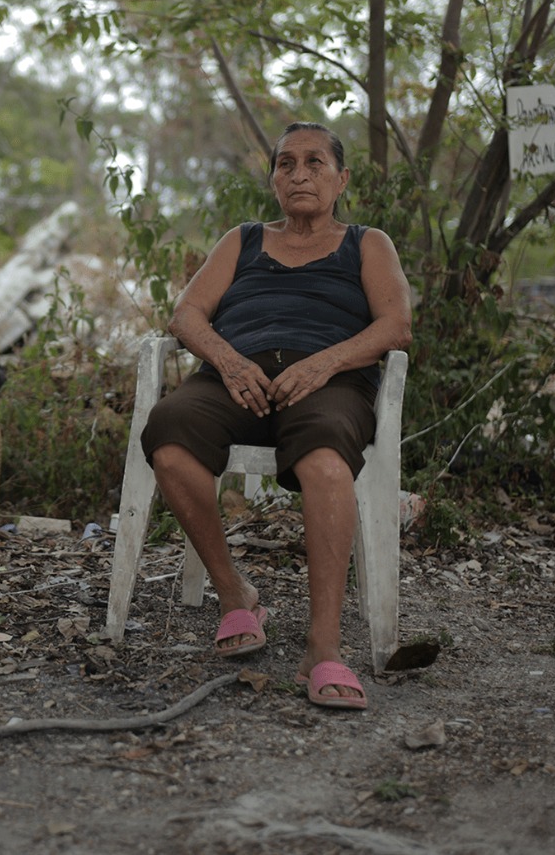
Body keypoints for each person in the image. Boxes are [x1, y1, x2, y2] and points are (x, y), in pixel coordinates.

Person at [139, 121, 412, 709]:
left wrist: (323, 365)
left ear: (341, 179)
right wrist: (230, 363)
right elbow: (187, 316)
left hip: (329, 383)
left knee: (326, 460)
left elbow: (395, 327)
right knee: (169, 433)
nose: (299, 174)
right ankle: (235, 595)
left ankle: (324, 647)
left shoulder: (367, 243)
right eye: (286, 164)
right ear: (273, 180)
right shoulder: (244, 239)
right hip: (234, 377)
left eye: (315, 163)